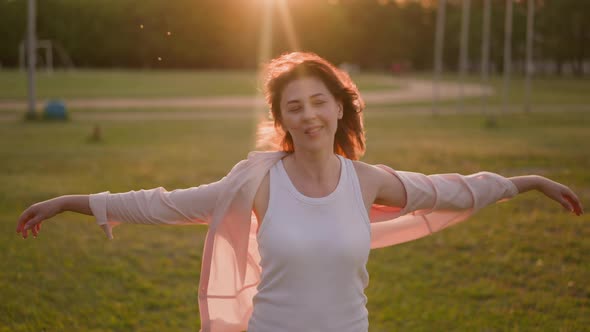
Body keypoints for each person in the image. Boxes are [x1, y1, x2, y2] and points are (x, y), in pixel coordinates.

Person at [16, 52, 583, 332]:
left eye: (318, 102)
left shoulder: (368, 181)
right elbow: (166, 202)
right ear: (283, 120)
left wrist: (524, 182)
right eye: (295, 106)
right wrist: (73, 202)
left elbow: (449, 191)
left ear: (339, 107)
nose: (309, 114)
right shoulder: (256, 182)